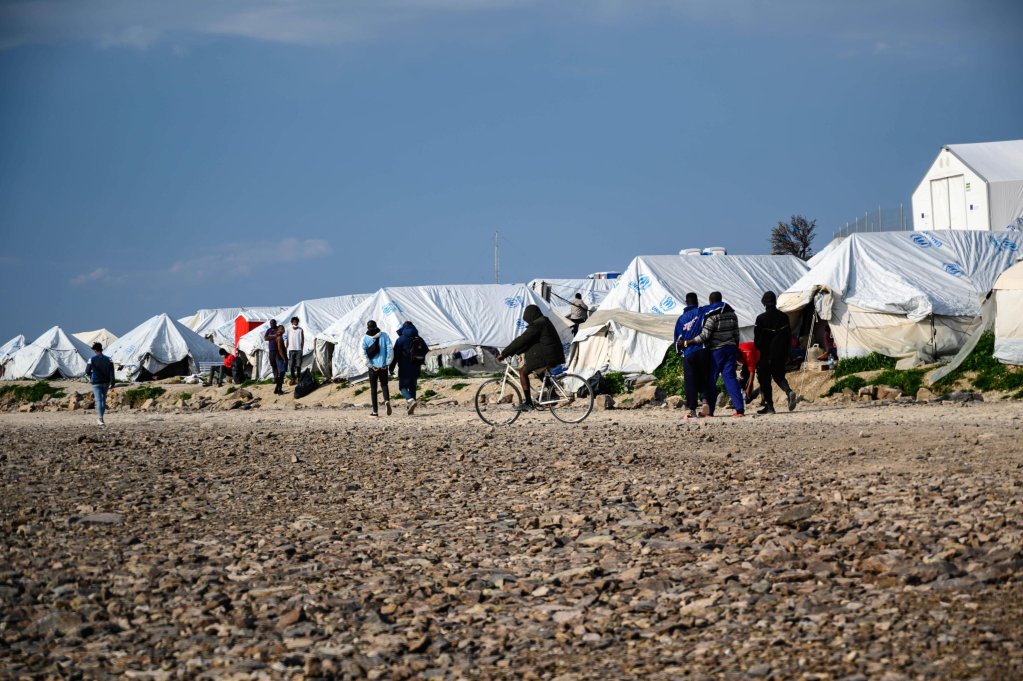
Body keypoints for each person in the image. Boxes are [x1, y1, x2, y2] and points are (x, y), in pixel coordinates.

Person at [682, 291, 745, 417]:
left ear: (711, 302)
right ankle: (739, 409)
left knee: (711, 380)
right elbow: (736, 334)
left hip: (717, 351)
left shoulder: (713, 316)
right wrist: (735, 348)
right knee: (730, 378)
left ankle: (709, 411)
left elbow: (704, 336)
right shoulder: (733, 314)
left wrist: (688, 342)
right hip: (731, 349)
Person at [496, 304, 566, 412]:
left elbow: (522, 339)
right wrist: (514, 352)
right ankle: (552, 394)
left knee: (523, 372)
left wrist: (504, 353)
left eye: (527, 319)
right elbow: (529, 343)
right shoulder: (544, 322)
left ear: (531, 316)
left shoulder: (538, 324)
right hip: (553, 354)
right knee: (539, 370)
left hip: (548, 356)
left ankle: (528, 403)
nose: (528, 322)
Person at [754, 290, 798, 414]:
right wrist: (788, 353)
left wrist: (759, 350)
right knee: (779, 376)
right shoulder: (784, 317)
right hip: (781, 353)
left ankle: (770, 407)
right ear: (775, 302)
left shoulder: (761, 319)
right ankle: (789, 391)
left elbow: (757, 340)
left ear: (764, 303)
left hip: (766, 354)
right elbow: (788, 337)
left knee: (765, 380)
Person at [674, 292, 716, 419]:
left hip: (688, 353)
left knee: (690, 382)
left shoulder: (681, 320)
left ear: (686, 302)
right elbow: (716, 307)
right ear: (697, 301)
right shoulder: (702, 311)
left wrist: (681, 351)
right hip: (702, 350)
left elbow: (677, 342)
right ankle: (705, 402)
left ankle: (692, 410)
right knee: (704, 378)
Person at [389, 320, 423, 415]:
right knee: (412, 387)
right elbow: (425, 350)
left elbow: (395, 355)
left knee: (403, 387)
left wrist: (391, 368)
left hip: (404, 367)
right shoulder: (419, 338)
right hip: (416, 367)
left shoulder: (401, 339)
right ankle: (411, 409)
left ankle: (410, 400)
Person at [362, 320, 393, 417]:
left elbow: (362, 354)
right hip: (383, 366)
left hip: (373, 368)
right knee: (384, 385)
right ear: (376, 326)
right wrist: (387, 363)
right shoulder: (384, 335)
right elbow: (390, 349)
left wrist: (371, 365)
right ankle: (386, 400)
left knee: (373, 389)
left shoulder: (365, 338)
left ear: (368, 328)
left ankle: (375, 411)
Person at [85, 342, 115, 427]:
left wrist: (91, 374)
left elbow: (87, 371)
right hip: (106, 382)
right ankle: (101, 418)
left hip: (96, 382)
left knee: (98, 400)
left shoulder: (92, 359)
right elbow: (112, 372)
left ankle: (100, 418)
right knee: (103, 400)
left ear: (95, 350)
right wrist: (112, 383)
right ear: (101, 349)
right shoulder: (109, 359)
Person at [264, 320, 287, 395]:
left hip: (277, 354)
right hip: (277, 353)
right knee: (280, 372)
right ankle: (279, 389)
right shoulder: (278, 337)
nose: (283, 330)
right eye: (282, 329)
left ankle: (277, 388)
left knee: (281, 372)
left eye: (283, 329)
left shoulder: (279, 336)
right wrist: (284, 358)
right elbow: (280, 349)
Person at [737, 341, 761, 405]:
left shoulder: (748, 354)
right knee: (743, 379)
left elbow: (752, 372)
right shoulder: (734, 351)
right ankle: (742, 398)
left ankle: (763, 401)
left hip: (759, 357)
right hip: (747, 358)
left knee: (761, 378)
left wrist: (749, 387)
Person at [286, 316, 304, 381]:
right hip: (291, 349)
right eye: (294, 322)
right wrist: (286, 348)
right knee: (291, 364)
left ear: (298, 322)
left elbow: (302, 339)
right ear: (292, 322)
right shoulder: (288, 329)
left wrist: (301, 348)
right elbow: (287, 339)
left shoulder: (300, 330)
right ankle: (293, 377)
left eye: (296, 322)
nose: (295, 323)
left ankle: (298, 377)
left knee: (298, 364)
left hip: (298, 349)